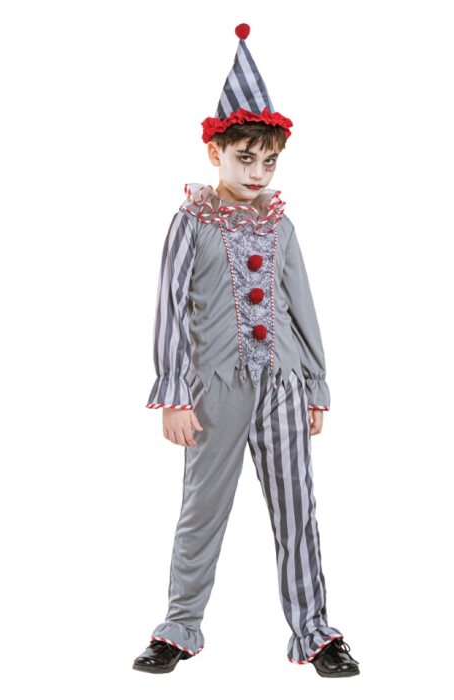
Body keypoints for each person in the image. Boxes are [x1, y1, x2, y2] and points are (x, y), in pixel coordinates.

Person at [132, 23, 359, 678]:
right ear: (215, 153)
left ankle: (315, 631)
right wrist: (175, 394)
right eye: (244, 159)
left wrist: (314, 384)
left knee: (297, 509)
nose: (257, 173)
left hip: (283, 384)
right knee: (202, 508)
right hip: (214, 387)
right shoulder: (191, 222)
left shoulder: (281, 225)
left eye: (268, 162)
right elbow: (170, 310)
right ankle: (179, 626)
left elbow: (302, 307)